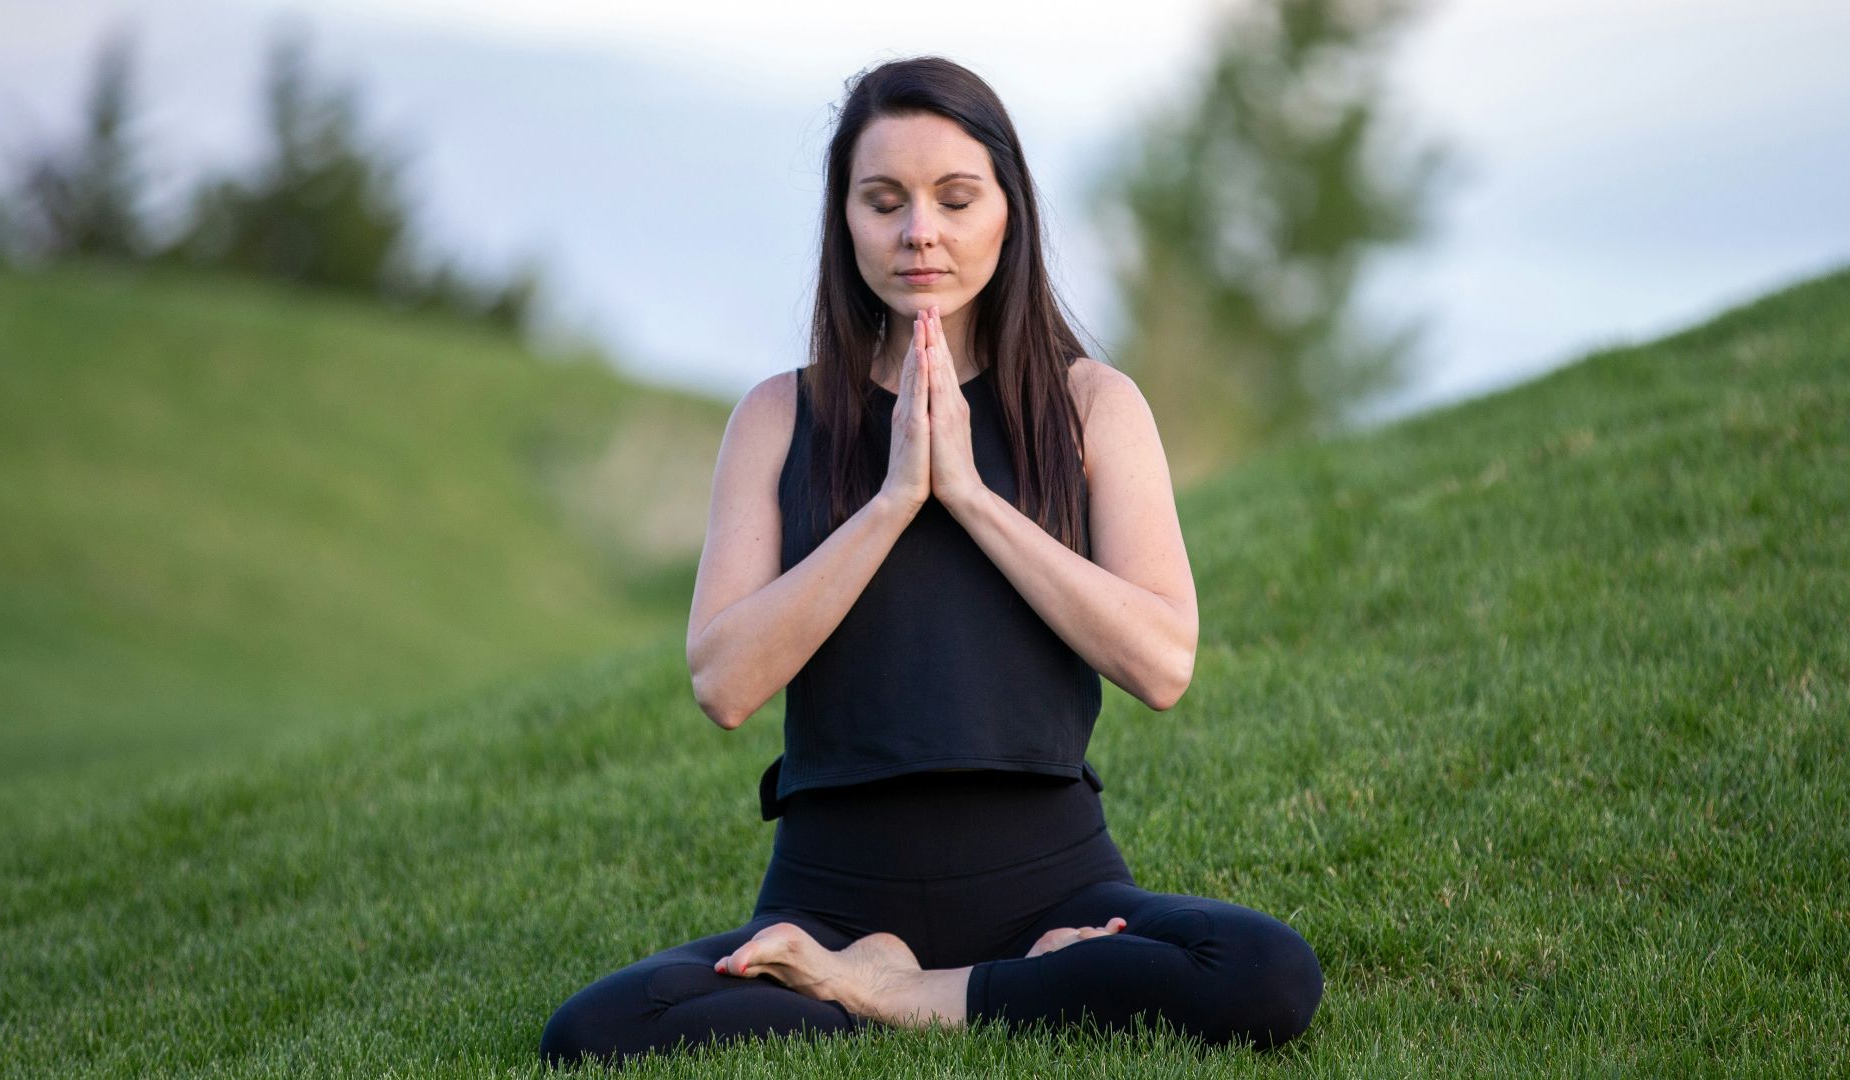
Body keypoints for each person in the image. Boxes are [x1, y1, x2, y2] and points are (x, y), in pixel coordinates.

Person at [539, 55, 1322, 1071]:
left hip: (1055, 884)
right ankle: (932, 980)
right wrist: (896, 496)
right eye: (884, 201)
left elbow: (1163, 663)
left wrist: (971, 496)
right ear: (845, 220)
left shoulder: (1093, 406)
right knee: (595, 1032)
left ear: (1009, 210)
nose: (921, 231)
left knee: (1264, 972)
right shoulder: (778, 417)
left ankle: (896, 995)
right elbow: (723, 682)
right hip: (831, 895)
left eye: (956, 198)